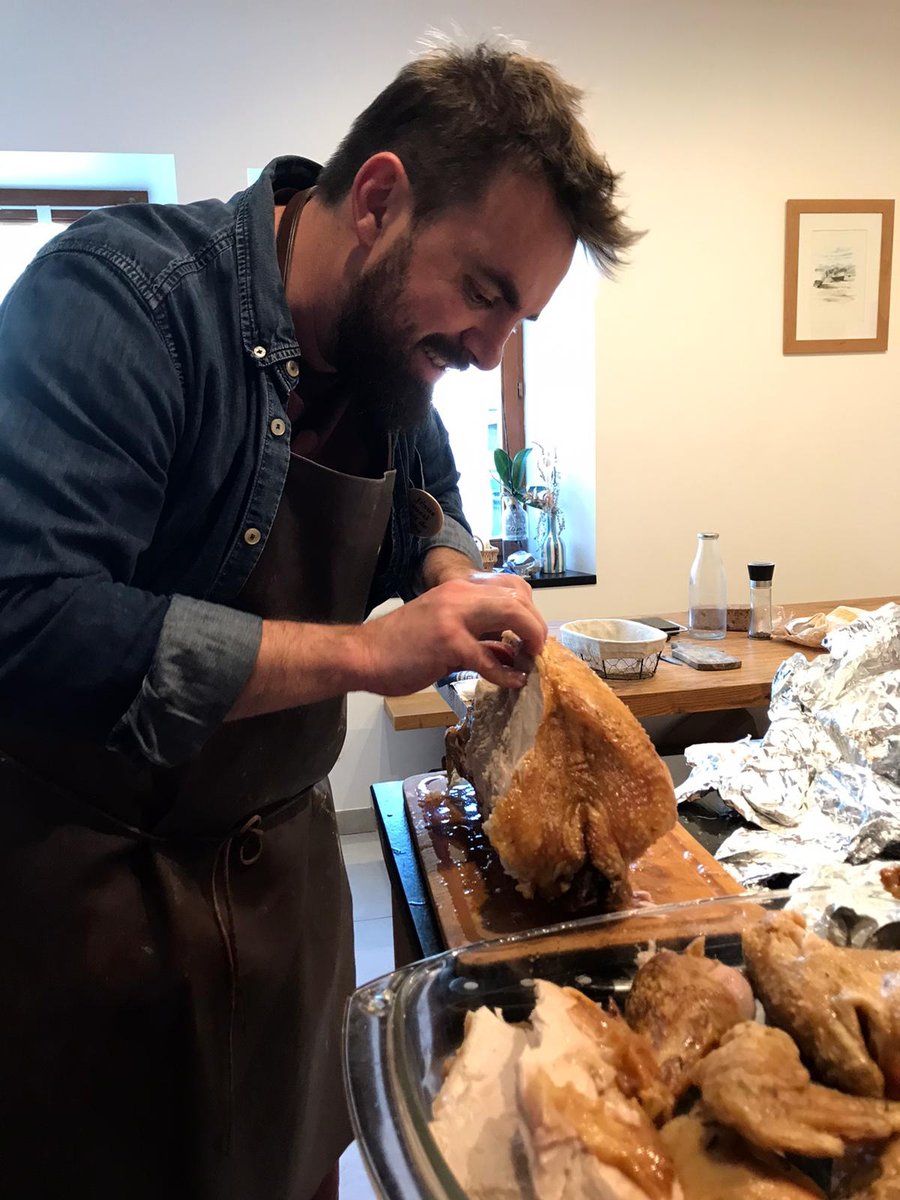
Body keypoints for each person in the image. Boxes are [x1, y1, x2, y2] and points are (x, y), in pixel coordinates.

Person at [0, 37, 636, 1200]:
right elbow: (29, 620)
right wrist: (365, 652)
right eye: (484, 292)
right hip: (89, 915)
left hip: (283, 907)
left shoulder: (392, 363)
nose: (489, 348)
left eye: (521, 320)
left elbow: (427, 499)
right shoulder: (121, 300)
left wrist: (447, 572)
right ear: (379, 201)